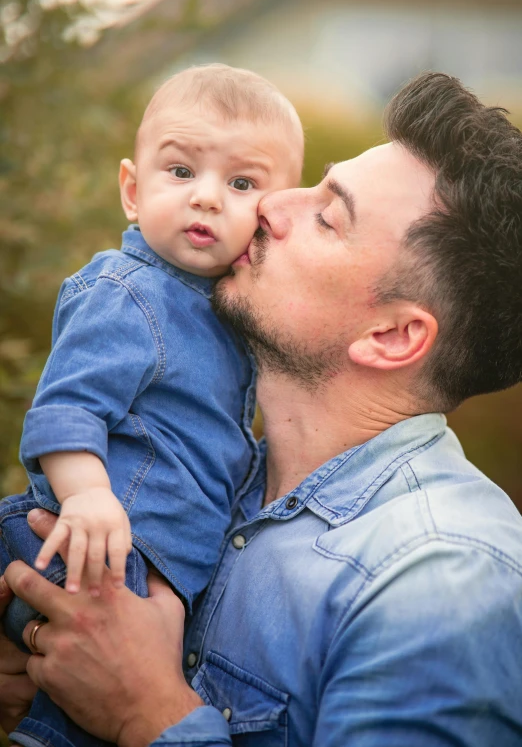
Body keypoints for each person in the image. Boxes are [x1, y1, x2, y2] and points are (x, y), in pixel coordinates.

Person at [2, 71, 522, 746]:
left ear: (392, 336)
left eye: (327, 215)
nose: (271, 205)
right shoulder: (214, 469)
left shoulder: (443, 579)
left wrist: (146, 713)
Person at [0, 63, 304, 747]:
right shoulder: (129, 293)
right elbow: (67, 407)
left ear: (271, 220)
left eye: (242, 183)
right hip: (96, 546)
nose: (205, 199)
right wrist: (87, 497)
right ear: (132, 192)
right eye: (181, 172)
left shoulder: (229, 319)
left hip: (150, 560)